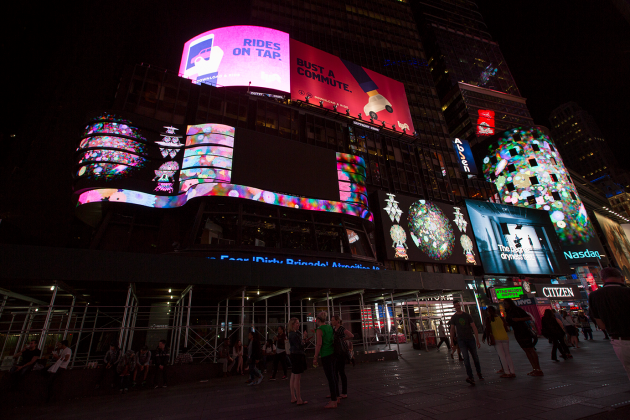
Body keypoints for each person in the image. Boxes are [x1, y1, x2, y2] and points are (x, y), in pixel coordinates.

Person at [589, 267, 630, 380]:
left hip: (620, 341)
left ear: (603, 280)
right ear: (622, 278)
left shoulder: (594, 296)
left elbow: (601, 325)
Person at [504, 298, 543, 376]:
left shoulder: (517, 309)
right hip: (517, 332)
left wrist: (518, 319)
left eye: (505, 304)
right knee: (526, 350)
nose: (504, 305)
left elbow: (528, 317)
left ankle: (538, 369)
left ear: (509, 304)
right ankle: (534, 368)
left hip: (523, 331)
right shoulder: (508, 312)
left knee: (530, 349)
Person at [449, 300, 483, 385]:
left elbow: (474, 327)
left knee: (475, 357)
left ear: (460, 305)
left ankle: (479, 373)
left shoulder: (467, 315)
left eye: (458, 305)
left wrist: (477, 339)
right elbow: (452, 329)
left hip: (470, 339)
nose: (457, 307)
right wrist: (451, 341)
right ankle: (470, 376)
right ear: (454, 307)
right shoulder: (454, 317)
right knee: (466, 359)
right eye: (456, 306)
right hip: (461, 340)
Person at [482, 306, 515, 378]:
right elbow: (506, 328)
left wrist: (487, 338)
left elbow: (488, 329)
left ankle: (507, 372)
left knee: (502, 356)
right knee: (508, 355)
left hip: (496, 338)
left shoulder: (488, 319)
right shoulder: (501, 318)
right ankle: (512, 371)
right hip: (505, 337)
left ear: (488, 312)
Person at [313, 311, 338, 408]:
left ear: (318, 320)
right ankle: (336, 396)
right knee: (334, 376)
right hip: (333, 353)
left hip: (325, 355)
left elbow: (319, 344)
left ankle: (333, 401)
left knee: (330, 377)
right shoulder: (329, 327)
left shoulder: (319, 329)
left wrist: (315, 357)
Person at [331, 315, 354, 399]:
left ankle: (344, 392)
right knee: (336, 371)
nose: (332, 322)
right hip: (336, 351)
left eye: (333, 320)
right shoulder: (334, 329)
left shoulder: (341, 329)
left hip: (341, 352)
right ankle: (336, 390)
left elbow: (351, 335)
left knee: (341, 372)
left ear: (337, 321)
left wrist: (344, 339)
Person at [288, 317, 308, 405]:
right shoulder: (294, 335)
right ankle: (299, 399)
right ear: (293, 325)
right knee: (297, 377)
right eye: (297, 323)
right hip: (297, 356)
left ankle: (293, 396)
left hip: (293, 355)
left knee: (293, 375)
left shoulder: (292, 334)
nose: (298, 325)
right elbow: (299, 346)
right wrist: (304, 339)